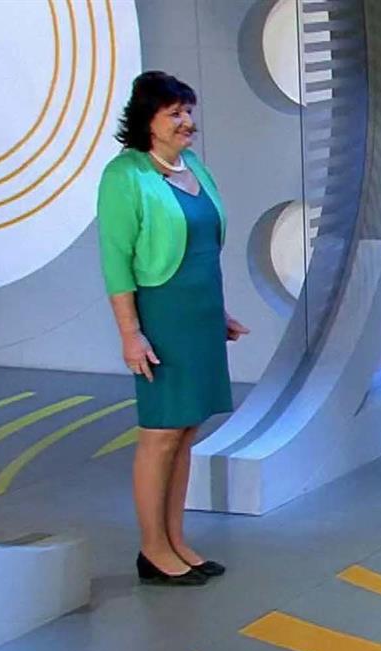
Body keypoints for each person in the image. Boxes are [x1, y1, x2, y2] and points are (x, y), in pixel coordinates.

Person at [97, 71, 248, 586]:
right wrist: (130, 333)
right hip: (162, 316)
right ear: (148, 120)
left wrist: (218, 315)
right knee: (160, 434)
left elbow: (202, 249)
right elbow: (116, 262)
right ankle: (152, 549)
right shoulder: (125, 175)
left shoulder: (194, 167)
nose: (187, 122)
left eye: (188, 111)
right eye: (175, 113)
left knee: (185, 432)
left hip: (199, 315)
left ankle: (176, 540)